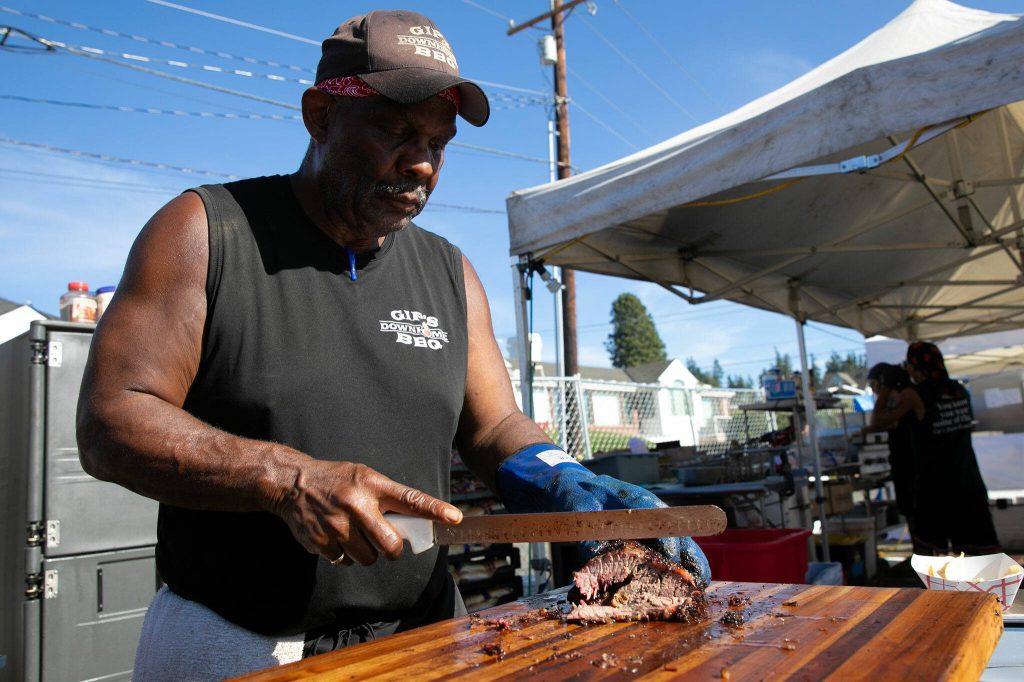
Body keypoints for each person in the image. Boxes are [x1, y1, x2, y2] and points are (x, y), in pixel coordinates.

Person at [75, 9, 710, 680]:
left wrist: (560, 479)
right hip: (240, 642)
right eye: (397, 131)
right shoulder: (207, 233)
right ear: (320, 115)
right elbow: (111, 420)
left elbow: (493, 424)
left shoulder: (450, 272)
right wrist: (285, 478)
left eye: (439, 142)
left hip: (425, 637)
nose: (421, 163)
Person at [873, 343, 1000, 556]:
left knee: (932, 559)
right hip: (968, 482)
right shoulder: (959, 390)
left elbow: (879, 421)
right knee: (981, 556)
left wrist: (887, 387)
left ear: (915, 367)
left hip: (935, 488)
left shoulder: (915, 394)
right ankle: (988, 590)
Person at [860, 362, 917, 540]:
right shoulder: (903, 397)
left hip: (910, 464)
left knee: (916, 513)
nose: (873, 390)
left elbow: (877, 421)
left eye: (874, 385)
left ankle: (927, 557)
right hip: (909, 463)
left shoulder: (900, 397)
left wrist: (885, 390)